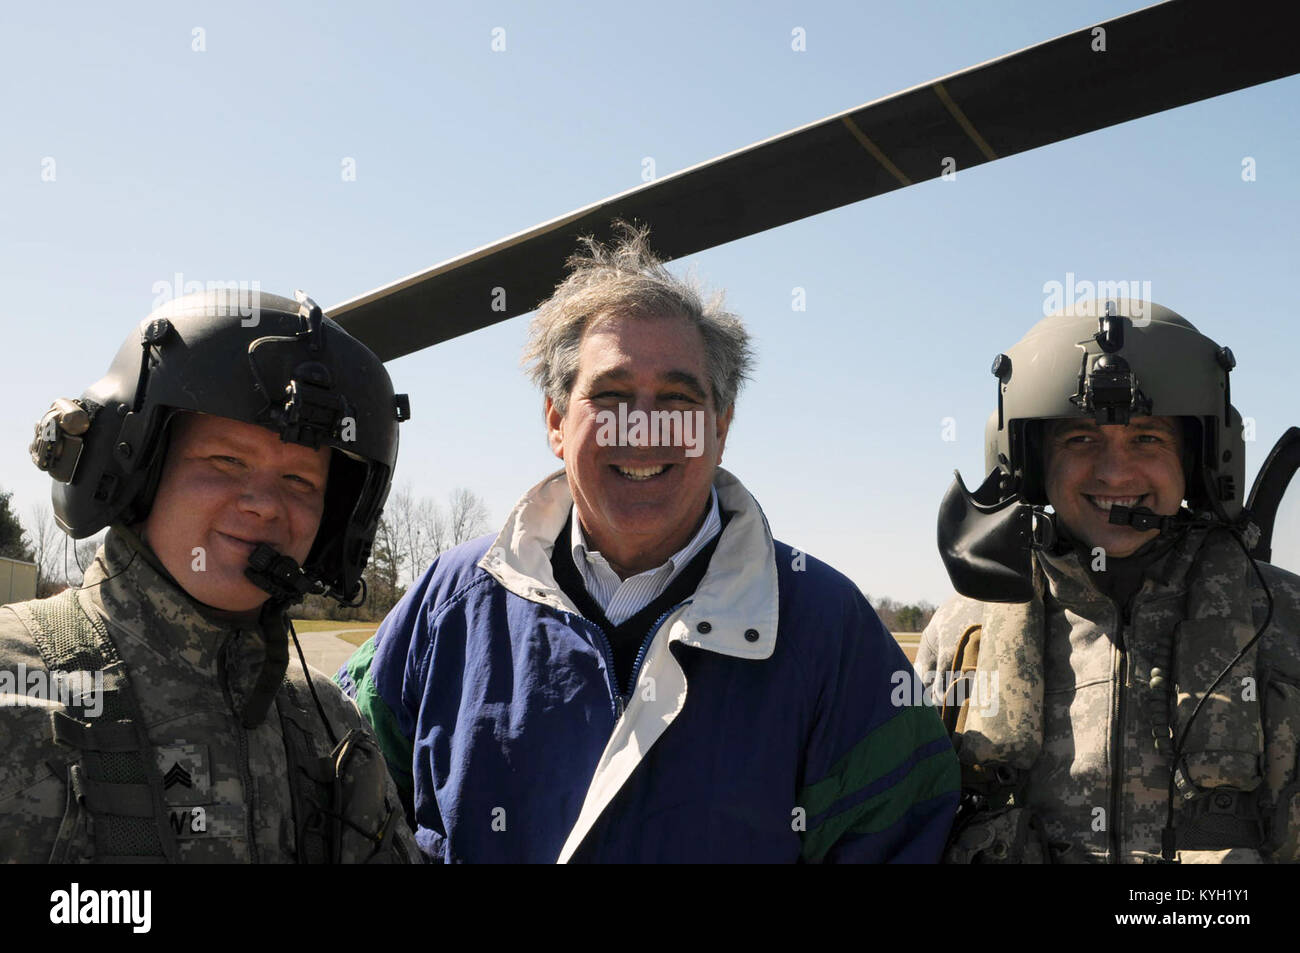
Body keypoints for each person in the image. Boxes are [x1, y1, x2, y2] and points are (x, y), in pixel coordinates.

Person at [337, 224, 959, 863]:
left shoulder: (829, 633)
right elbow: (335, 796)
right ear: (556, 421)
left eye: (676, 400)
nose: (643, 428)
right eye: (609, 397)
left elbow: (902, 838)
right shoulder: (448, 607)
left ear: (720, 426)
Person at [0, 289, 418, 863]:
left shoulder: (326, 727)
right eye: (227, 462)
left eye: (300, 481)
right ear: (137, 470)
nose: (264, 505)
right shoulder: (14, 684)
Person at [917, 298, 1300, 863]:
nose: (1114, 472)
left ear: (1197, 461)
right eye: (1080, 440)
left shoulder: (1286, 619)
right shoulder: (963, 635)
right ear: (1030, 463)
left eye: (1147, 438)